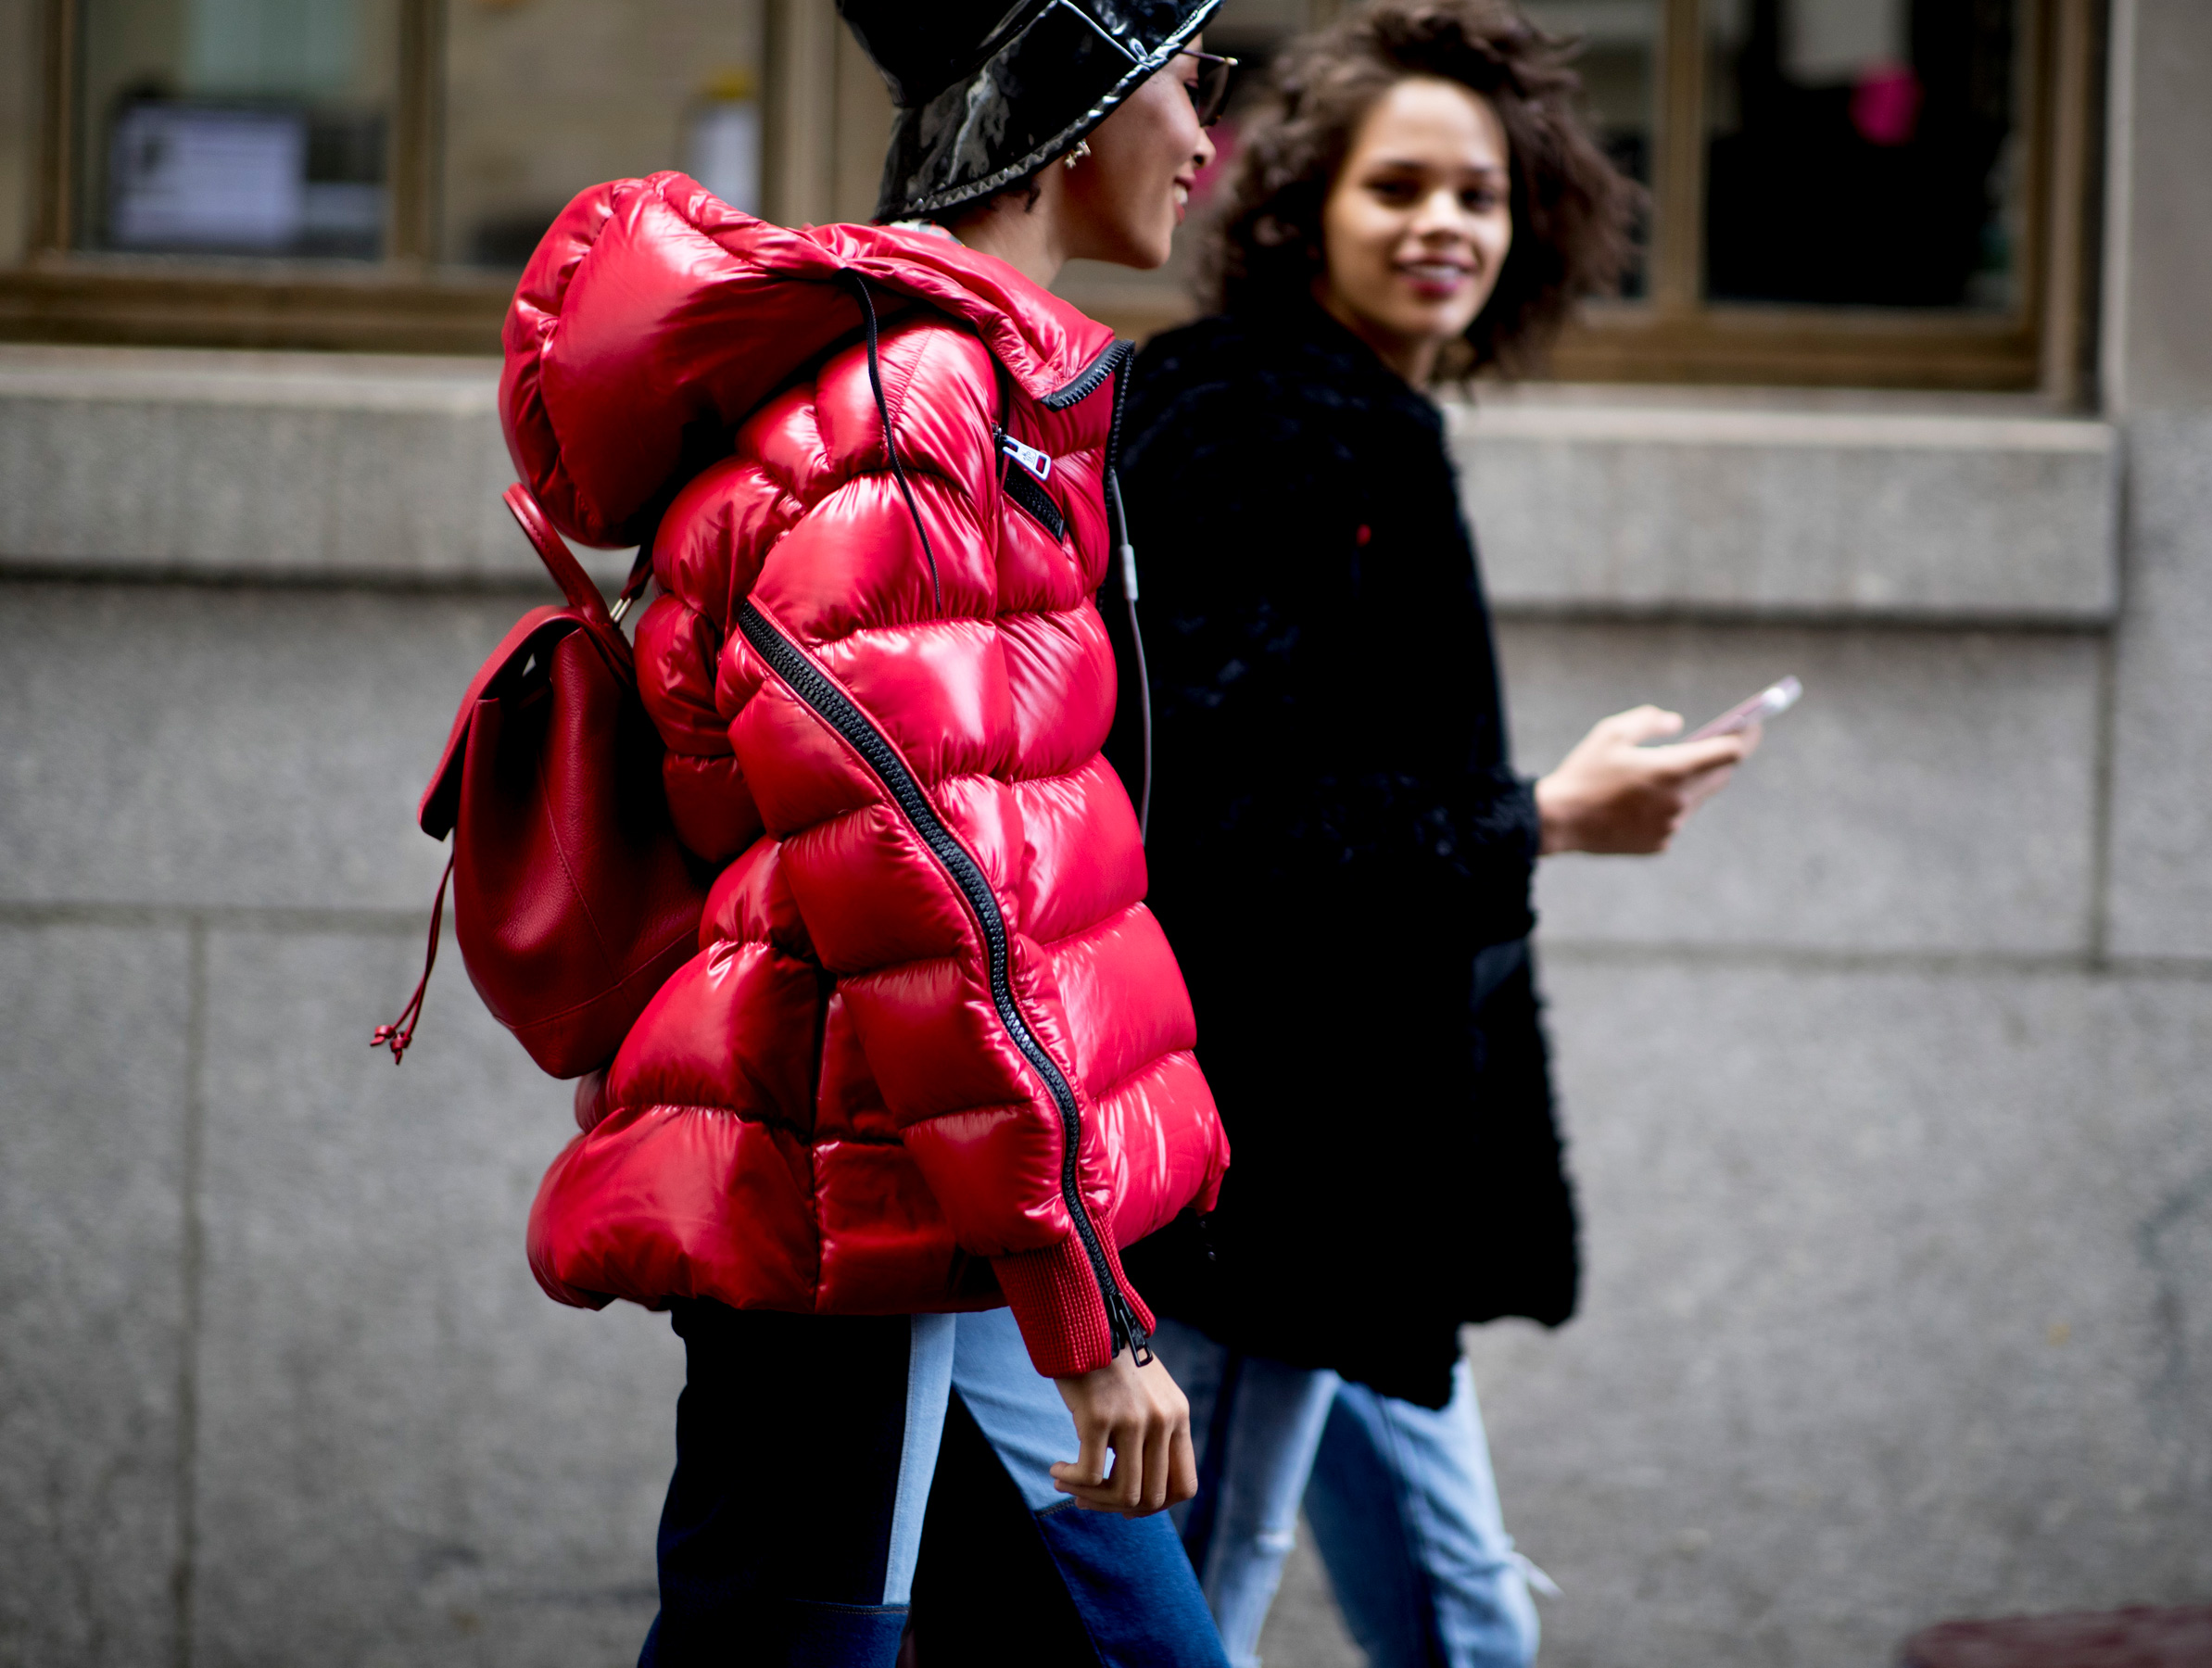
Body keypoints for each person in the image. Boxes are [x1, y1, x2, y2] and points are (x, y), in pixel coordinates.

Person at [492, 0, 1253, 1659]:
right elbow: (933, 895)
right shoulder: (921, 411)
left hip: (924, 1206)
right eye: (1189, 88)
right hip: (857, 1218)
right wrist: (1083, 1310)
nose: (1208, 141)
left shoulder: (969, 393)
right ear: (1079, 107)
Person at [1112, 3, 1762, 1663]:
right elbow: (1226, 821)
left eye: (1478, 193)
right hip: (1266, 1184)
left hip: (1355, 1189)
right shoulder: (1263, 417)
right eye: (1397, 186)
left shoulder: (1359, 417)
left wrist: (1524, 821)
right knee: (1194, 1626)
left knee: (1463, 1626)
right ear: (1306, 199)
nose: (1443, 226)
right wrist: (1541, 815)